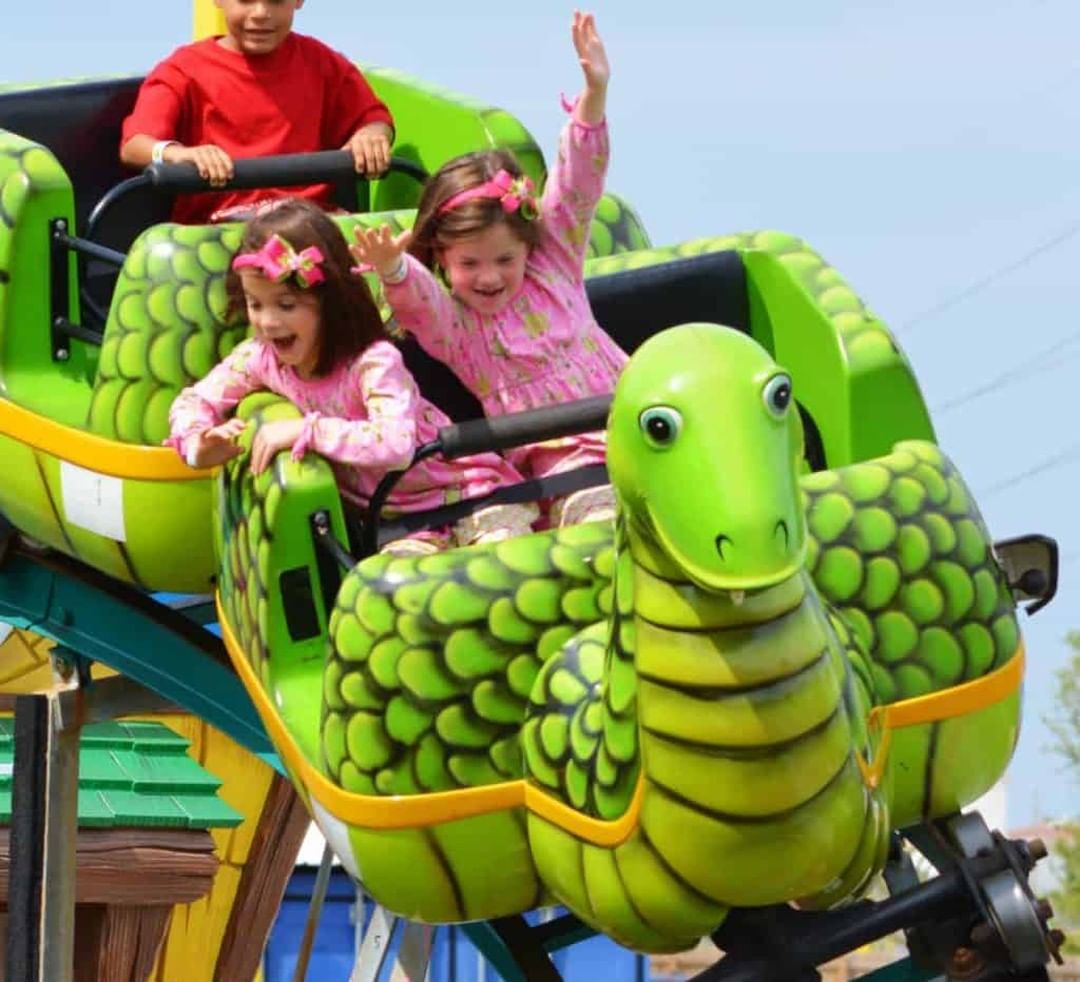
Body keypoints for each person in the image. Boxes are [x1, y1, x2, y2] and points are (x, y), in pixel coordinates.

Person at [349, 11, 623, 528]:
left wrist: (594, 97)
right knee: (600, 519)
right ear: (443, 257)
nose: (490, 276)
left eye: (504, 260)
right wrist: (392, 267)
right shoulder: (461, 329)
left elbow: (576, 184)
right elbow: (421, 301)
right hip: (566, 470)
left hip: (634, 426)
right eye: (469, 264)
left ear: (529, 245)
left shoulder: (554, 265)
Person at [165, 199, 537, 555]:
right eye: (255, 303)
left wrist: (307, 431)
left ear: (329, 301)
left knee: (503, 565)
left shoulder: (374, 364)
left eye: (286, 305)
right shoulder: (262, 359)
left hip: (472, 497)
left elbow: (394, 445)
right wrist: (199, 445)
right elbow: (194, 400)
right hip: (399, 523)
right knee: (405, 594)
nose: (267, 321)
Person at [120, 0, 394, 225]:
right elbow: (135, 146)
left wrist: (370, 135)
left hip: (309, 225)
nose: (261, 13)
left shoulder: (321, 62)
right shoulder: (183, 69)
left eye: (276, 1)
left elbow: (374, 118)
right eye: (246, 0)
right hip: (217, 232)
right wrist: (179, 154)